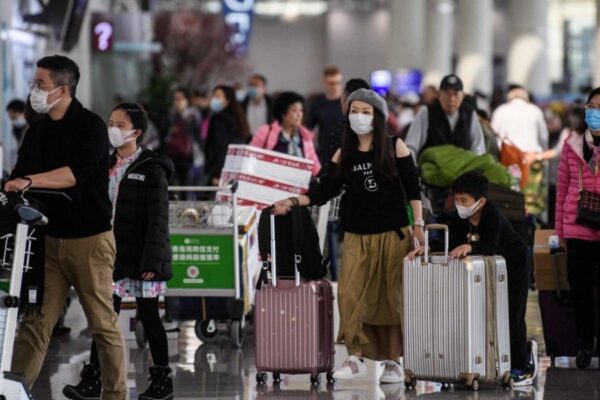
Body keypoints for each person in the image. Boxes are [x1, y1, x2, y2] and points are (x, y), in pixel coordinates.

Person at [274, 89, 425, 384]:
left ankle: (394, 361)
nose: (359, 116)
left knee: (389, 298)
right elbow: (323, 191)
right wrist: (294, 201)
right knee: (350, 294)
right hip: (356, 235)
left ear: (378, 117)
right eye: (354, 110)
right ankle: (355, 356)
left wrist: (418, 225)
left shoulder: (396, 147)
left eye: (366, 111)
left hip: (393, 235)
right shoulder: (344, 154)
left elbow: (412, 188)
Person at [3, 55, 127, 399]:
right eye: (34, 84)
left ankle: (115, 394)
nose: (35, 91)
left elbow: (74, 175)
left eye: (40, 85)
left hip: (89, 241)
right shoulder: (38, 128)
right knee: (35, 323)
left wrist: (29, 180)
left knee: (102, 324)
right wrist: (14, 185)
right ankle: (14, 392)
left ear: (63, 89)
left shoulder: (90, 127)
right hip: (47, 240)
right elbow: (17, 176)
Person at [63, 103, 174, 400]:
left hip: (141, 256)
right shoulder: (104, 163)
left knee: (148, 316)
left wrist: (151, 259)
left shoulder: (151, 169)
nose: (112, 128)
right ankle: (93, 380)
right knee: (103, 318)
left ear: (136, 132)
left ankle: (163, 381)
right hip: (108, 255)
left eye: (120, 124)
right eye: (110, 122)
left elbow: (159, 220)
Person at [409, 171, 539, 386]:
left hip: (514, 267)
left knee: (511, 314)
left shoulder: (492, 216)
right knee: (482, 315)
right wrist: (427, 248)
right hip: (490, 271)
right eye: (457, 200)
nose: (459, 205)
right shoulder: (460, 219)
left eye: (464, 201)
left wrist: (471, 246)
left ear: (480, 201)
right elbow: (448, 243)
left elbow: (490, 246)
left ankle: (523, 364)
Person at [555, 87, 600, 369]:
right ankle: (585, 343)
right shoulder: (572, 143)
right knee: (580, 291)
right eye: (592, 106)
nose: (595, 112)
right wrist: (560, 232)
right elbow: (561, 189)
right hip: (577, 226)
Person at [491, 86, 550, 218]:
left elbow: (494, 138)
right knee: (531, 203)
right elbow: (544, 138)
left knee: (508, 198)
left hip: (508, 162)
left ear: (509, 98)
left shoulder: (500, 111)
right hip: (531, 162)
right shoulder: (535, 111)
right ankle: (532, 230)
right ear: (526, 98)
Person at [405, 74, 485, 161]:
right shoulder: (426, 112)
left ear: (463, 95)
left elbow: (478, 149)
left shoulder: (469, 113)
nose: (451, 98)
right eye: (447, 93)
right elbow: (411, 146)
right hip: (432, 170)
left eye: (456, 94)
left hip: (464, 170)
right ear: (438, 94)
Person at [250, 91, 320, 176]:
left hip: (297, 184)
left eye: (301, 110)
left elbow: (314, 164)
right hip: (270, 182)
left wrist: (321, 178)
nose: (299, 114)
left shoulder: (305, 136)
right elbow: (251, 156)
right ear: (283, 113)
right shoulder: (266, 131)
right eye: (294, 111)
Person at [204, 85, 251, 185]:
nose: (213, 99)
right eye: (213, 96)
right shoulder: (239, 119)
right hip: (237, 168)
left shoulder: (218, 119)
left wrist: (217, 173)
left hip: (220, 171)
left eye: (218, 96)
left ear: (227, 100)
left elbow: (219, 147)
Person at [306, 66, 345, 165]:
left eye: (338, 83)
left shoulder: (348, 103)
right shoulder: (317, 103)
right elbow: (308, 129)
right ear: (325, 82)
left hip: (346, 150)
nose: (335, 86)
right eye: (331, 83)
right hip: (325, 152)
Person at [162, 87, 200, 187]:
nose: (177, 102)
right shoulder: (169, 115)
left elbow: (197, 135)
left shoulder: (193, 115)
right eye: (175, 99)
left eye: (180, 99)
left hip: (187, 155)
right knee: (172, 185)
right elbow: (163, 134)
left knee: (186, 184)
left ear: (187, 100)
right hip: (172, 155)